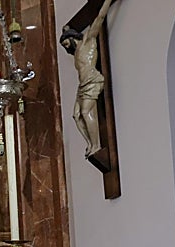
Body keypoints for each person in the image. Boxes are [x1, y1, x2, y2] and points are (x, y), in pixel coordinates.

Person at [60, 0, 114, 157]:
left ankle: (96, 145)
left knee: (85, 111)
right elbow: (67, 30)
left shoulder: (89, 40)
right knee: (76, 115)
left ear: (72, 38)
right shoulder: (76, 52)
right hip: (83, 84)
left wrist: (107, 2)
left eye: (66, 43)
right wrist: (66, 29)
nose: (66, 47)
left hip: (93, 80)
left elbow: (100, 17)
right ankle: (90, 143)